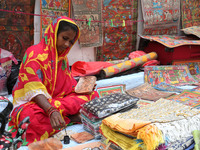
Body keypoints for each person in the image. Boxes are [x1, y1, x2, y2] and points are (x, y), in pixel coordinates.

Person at [8, 16, 99, 145]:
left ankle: (64, 118)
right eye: (64, 38)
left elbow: (68, 85)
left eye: (71, 42)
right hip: (35, 104)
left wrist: (83, 88)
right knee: (29, 118)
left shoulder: (62, 58)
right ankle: (70, 118)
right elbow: (33, 90)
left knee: (92, 96)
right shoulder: (34, 54)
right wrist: (51, 110)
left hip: (57, 102)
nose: (67, 44)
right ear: (53, 34)